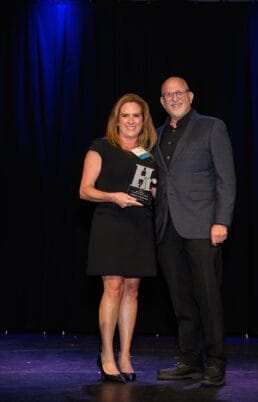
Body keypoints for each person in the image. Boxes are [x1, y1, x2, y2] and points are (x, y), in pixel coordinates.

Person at [154, 76, 236, 387]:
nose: (174, 98)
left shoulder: (212, 127)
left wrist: (222, 220)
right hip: (167, 227)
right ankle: (189, 359)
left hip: (203, 225)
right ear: (161, 102)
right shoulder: (157, 135)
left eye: (179, 92)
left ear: (191, 95)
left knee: (208, 296)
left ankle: (215, 361)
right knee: (180, 298)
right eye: (167, 94)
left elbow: (226, 177)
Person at [79, 93, 157, 383]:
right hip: (110, 222)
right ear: (117, 119)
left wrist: (153, 191)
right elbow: (85, 190)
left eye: (136, 115)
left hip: (139, 225)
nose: (131, 121)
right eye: (125, 115)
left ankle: (125, 354)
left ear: (143, 120)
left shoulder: (148, 154)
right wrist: (113, 196)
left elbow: (149, 191)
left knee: (132, 290)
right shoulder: (101, 147)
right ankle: (106, 355)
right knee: (112, 287)